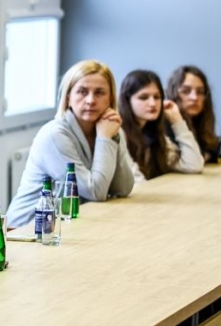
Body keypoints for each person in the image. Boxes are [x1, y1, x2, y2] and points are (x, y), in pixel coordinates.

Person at [8, 60, 136, 228]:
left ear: (110, 98)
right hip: (27, 229)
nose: (90, 100)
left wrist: (111, 138)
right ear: (68, 97)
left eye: (99, 93)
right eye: (82, 92)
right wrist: (105, 139)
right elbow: (95, 192)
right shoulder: (54, 134)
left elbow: (123, 188)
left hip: (71, 224)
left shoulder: (109, 128)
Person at [118, 69, 204, 181]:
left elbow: (194, 165)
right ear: (127, 101)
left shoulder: (154, 133)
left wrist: (177, 121)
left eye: (157, 97)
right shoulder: (118, 131)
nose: (153, 103)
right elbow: (135, 180)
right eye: (143, 97)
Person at [166, 65, 220, 163]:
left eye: (200, 92)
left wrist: (205, 155)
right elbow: (186, 159)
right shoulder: (164, 123)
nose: (194, 97)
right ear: (173, 94)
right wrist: (203, 156)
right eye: (186, 91)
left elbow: (216, 148)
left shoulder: (198, 121)